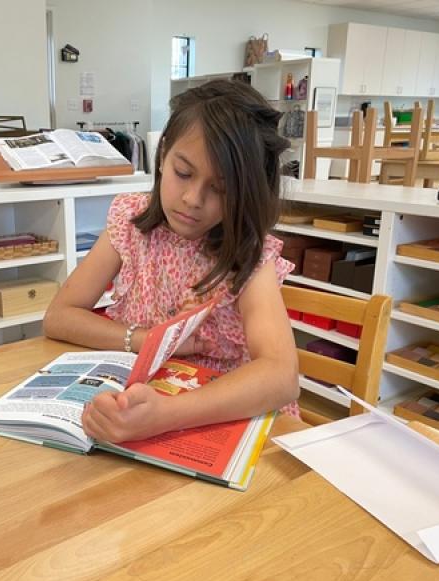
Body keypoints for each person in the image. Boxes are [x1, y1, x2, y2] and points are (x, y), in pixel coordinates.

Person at [43, 80, 300, 444]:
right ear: (162, 154)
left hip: (221, 420)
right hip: (143, 406)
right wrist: (149, 341)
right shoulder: (130, 223)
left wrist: (166, 415)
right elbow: (59, 317)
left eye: (221, 189)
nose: (193, 199)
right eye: (183, 173)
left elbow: (281, 377)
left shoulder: (249, 256)